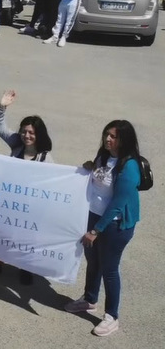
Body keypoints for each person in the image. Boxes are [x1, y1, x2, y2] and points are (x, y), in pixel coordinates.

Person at [65, 121, 143, 337]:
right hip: (93, 217)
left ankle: (112, 317)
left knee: (109, 269)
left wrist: (95, 231)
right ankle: (89, 299)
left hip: (115, 225)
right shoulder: (104, 156)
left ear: (124, 140)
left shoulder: (129, 166)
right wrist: (91, 167)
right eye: (107, 134)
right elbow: (99, 182)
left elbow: (118, 203)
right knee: (93, 262)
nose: (108, 139)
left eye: (113, 136)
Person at [0, 90, 54, 283]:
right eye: (24, 131)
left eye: (31, 133)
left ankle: (25, 267)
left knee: (27, 237)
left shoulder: (45, 157)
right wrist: (2, 107)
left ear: (38, 135)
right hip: (9, 200)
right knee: (2, 233)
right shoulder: (16, 144)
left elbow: (54, 182)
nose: (26, 135)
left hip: (30, 206)